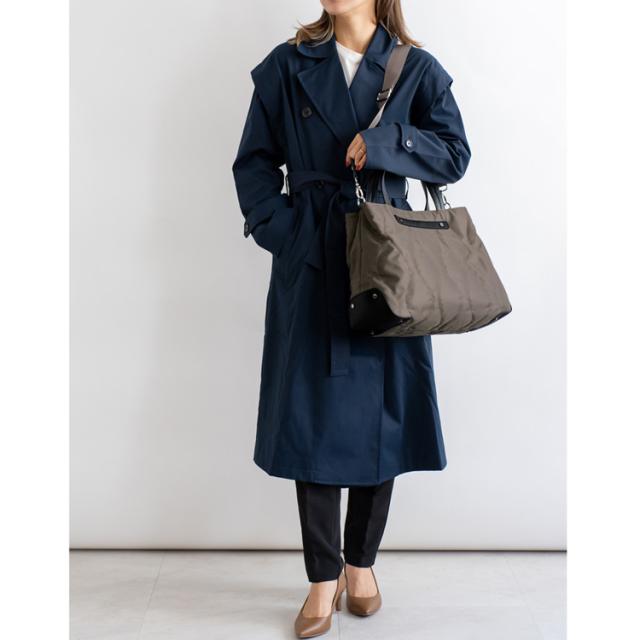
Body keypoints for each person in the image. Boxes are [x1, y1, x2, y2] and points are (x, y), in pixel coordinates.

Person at [232, 0, 470, 636]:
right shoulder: (286, 66)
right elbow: (254, 162)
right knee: (311, 417)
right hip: (313, 259)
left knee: (382, 417)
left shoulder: (415, 67)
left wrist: (389, 141)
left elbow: (455, 154)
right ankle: (321, 576)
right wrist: (285, 231)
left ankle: (360, 565)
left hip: (388, 262)